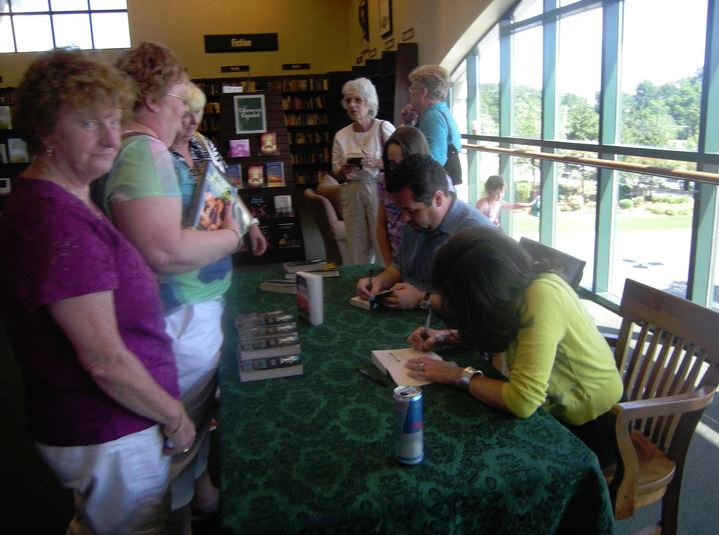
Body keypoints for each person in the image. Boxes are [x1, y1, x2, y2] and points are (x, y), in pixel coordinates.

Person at [0, 48, 195, 534]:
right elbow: (104, 360)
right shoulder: (57, 221)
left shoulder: (60, 199)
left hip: (102, 427)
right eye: (89, 124)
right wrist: (175, 417)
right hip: (108, 431)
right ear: (46, 130)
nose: (111, 138)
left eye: (114, 120)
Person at [94, 42, 240, 534]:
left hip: (182, 318)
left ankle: (198, 502)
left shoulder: (143, 150)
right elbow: (163, 252)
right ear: (153, 99)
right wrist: (231, 236)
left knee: (191, 428)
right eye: (178, 96)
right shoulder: (144, 152)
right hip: (175, 324)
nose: (184, 108)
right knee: (175, 438)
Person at [405, 227, 624, 468]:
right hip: (556, 412)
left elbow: (522, 400)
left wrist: (455, 374)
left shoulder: (542, 296)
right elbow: (511, 332)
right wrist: (445, 336)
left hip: (593, 427)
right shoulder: (519, 288)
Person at [355, 154, 492, 310]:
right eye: (401, 209)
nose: (404, 218)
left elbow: (479, 306)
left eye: (411, 210)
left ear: (438, 199)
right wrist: (379, 281)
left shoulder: (477, 235)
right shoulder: (415, 221)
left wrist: (421, 298)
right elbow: (399, 267)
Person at [170, 81, 268, 255]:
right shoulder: (159, 150)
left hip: (215, 241)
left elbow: (226, 189)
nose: (194, 121)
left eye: (198, 112)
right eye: (187, 114)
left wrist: (251, 223)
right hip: (181, 247)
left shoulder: (202, 143)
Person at [331, 77, 395, 264]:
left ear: (369, 103)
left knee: (381, 239)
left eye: (358, 100)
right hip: (352, 190)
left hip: (377, 189)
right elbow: (335, 171)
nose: (352, 105)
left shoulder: (384, 128)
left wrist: (376, 162)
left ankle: (385, 282)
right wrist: (343, 170)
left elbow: (398, 163)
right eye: (348, 100)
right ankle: (360, 284)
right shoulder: (341, 135)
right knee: (356, 242)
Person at [376, 126, 430, 266]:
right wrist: (390, 266)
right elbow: (381, 225)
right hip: (397, 261)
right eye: (392, 164)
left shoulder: (433, 182)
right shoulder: (384, 181)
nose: (397, 171)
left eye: (403, 164)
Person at [400, 65, 461, 177]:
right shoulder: (442, 112)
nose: (410, 96)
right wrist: (409, 124)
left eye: (412, 90)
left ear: (423, 92)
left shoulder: (432, 116)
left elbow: (433, 162)